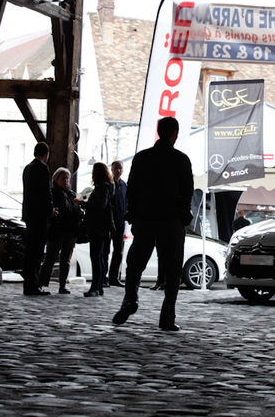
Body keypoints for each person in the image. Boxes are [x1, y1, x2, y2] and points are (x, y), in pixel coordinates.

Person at [113, 116, 193, 331]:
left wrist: (134, 214)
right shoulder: (181, 160)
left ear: (159, 132)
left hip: (146, 219)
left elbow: (132, 190)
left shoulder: (142, 158)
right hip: (171, 221)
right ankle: (167, 316)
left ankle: (130, 299)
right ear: (174, 134)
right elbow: (187, 192)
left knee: (135, 264)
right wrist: (184, 216)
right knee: (173, 269)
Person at [38, 167, 80, 294]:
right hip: (57, 230)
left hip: (70, 231)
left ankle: (62, 285)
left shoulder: (71, 194)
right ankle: (41, 283)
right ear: (56, 180)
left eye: (67, 178)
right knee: (50, 258)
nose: (66, 180)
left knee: (65, 259)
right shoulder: (53, 193)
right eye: (63, 178)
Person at [21, 142, 54, 296]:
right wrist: (50, 210)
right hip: (39, 215)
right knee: (37, 251)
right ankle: (34, 284)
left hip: (29, 214)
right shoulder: (42, 168)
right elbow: (46, 193)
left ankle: (28, 283)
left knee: (30, 250)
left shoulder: (27, 168)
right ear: (46, 154)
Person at [82, 162, 115, 297]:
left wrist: (85, 204)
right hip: (103, 227)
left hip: (98, 226)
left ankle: (95, 286)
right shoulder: (107, 187)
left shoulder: (102, 188)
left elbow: (100, 205)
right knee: (99, 257)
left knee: (96, 257)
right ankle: (98, 286)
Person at [103, 160, 127, 287]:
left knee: (118, 251)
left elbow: (126, 202)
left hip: (120, 222)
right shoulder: (108, 184)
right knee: (105, 250)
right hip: (109, 222)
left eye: (120, 168)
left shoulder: (123, 185)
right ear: (111, 170)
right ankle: (104, 277)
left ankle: (114, 277)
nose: (118, 170)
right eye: (116, 168)